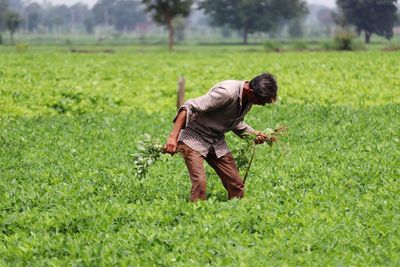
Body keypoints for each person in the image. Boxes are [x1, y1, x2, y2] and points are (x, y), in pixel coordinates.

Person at [164, 73, 278, 201]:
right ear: (250, 91)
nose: (261, 105)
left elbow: (234, 122)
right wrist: (173, 138)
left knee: (235, 183)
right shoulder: (227, 93)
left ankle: (237, 212)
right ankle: (195, 214)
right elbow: (189, 106)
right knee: (200, 185)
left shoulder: (248, 99)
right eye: (262, 101)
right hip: (194, 137)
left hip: (215, 139)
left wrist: (254, 134)